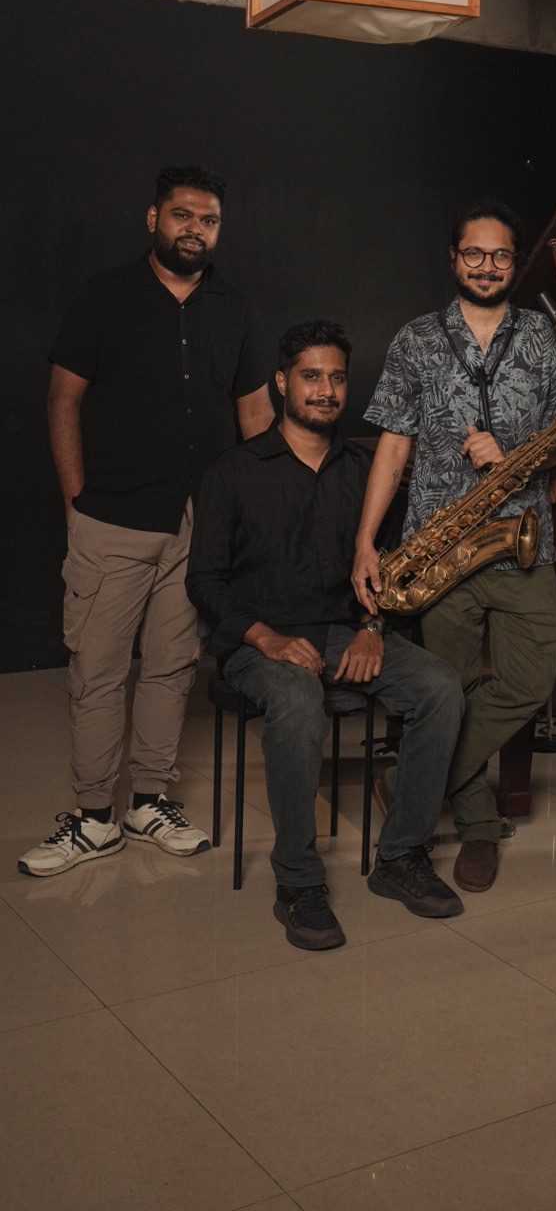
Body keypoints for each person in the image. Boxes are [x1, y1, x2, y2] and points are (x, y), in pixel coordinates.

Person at [20, 166, 275, 879]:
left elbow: (256, 417)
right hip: (113, 517)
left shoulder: (236, 307)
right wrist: (76, 502)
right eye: (182, 215)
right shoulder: (105, 296)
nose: (195, 229)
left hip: (199, 525)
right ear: (153, 219)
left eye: (208, 220)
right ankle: (93, 818)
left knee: (171, 667)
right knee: (98, 672)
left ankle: (148, 803)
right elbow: (62, 400)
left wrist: (248, 517)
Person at [186, 321, 466, 948]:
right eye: (311, 376)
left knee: (439, 687)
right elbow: (203, 580)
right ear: (281, 382)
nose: (326, 390)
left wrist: (373, 628)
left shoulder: (368, 473)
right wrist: (266, 639)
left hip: (346, 631)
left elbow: (388, 567)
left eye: (337, 378)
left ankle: (401, 857)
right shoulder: (233, 471)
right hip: (258, 643)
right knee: (295, 695)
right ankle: (298, 882)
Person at [353, 199, 556, 893]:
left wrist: (518, 454)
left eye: (501, 255)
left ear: (516, 262)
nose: (487, 266)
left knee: (535, 673)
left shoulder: (545, 336)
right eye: (474, 254)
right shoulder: (416, 339)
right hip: (438, 547)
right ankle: (480, 825)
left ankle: (415, 778)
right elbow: (393, 445)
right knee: (447, 691)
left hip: (520, 540)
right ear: (455, 259)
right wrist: (367, 540)